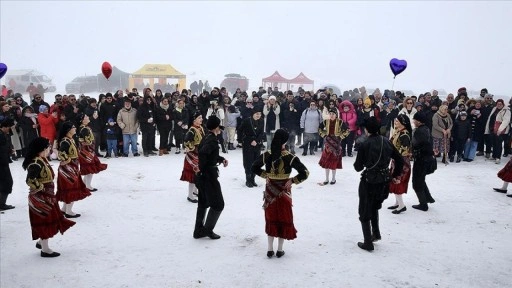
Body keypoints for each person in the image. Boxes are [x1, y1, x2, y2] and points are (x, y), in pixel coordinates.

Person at [252, 129, 309, 258]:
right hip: (284, 191)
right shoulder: (290, 156)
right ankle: (280, 249)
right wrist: (292, 180)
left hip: (270, 191)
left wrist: (266, 175)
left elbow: (253, 167)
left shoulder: (267, 154)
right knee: (283, 217)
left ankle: (270, 249)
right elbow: (305, 173)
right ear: (285, 141)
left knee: (271, 217)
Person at [353, 117, 404, 251]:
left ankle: (368, 242)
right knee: (374, 207)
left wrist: (363, 161)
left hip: (369, 181)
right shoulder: (387, 141)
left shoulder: (365, 144)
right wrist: (394, 175)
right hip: (384, 181)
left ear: (367, 129)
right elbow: (400, 160)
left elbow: (357, 167)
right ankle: (375, 233)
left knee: (364, 210)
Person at [22, 137, 76, 257]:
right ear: (42, 149)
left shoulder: (41, 159)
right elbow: (30, 180)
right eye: (48, 147)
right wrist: (41, 187)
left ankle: (42, 242)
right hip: (40, 197)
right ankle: (45, 250)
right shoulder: (36, 163)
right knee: (44, 221)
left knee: (49, 219)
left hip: (47, 196)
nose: (49, 149)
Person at [193, 115, 229, 239]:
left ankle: (198, 231)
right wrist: (202, 169)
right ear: (215, 127)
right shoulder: (212, 140)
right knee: (218, 204)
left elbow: (208, 155)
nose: (220, 128)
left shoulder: (206, 137)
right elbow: (203, 153)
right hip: (208, 177)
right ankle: (207, 230)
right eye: (219, 126)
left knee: (203, 203)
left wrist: (221, 159)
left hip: (202, 176)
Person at [56, 121, 91, 218]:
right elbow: (61, 153)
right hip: (68, 169)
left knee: (69, 188)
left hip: (72, 167)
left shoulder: (69, 139)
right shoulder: (65, 141)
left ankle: (64, 209)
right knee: (71, 188)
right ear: (68, 130)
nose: (75, 128)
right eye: (73, 127)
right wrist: (67, 160)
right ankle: (68, 211)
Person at [387, 114, 413, 214]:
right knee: (394, 180)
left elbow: (404, 150)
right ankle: (397, 202)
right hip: (396, 161)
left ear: (403, 123)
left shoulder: (404, 134)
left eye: (397, 121)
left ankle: (401, 205)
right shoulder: (399, 132)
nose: (395, 123)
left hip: (401, 163)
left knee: (397, 181)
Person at [411, 112, 436, 211]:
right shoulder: (426, 129)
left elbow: (419, 145)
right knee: (421, 180)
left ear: (419, 121)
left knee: (417, 183)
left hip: (421, 160)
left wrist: (413, 152)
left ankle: (423, 204)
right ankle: (428, 198)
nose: (413, 121)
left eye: (414, 120)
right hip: (426, 159)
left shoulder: (419, 131)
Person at [318, 108, 349, 185]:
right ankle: (326, 178)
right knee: (327, 161)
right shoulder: (326, 121)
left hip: (336, 143)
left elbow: (347, 130)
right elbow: (319, 129)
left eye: (333, 114)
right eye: (330, 114)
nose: (331, 115)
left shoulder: (340, 122)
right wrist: (324, 135)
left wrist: (341, 136)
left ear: (336, 115)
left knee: (334, 161)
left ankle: (333, 178)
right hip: (328, 143)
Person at [77, 113, 107, 191]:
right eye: (86, 117)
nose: (88, 117)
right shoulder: (84, 129)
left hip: (87, 151)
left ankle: (84, 184)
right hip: (86, 151)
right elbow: (86, 141)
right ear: (82, 120)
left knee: (89, 168)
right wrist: (90, 144)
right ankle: (88, 186)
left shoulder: (84, 128)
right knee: (89, 169)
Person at [181, 111, 205, 203]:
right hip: (192, 156)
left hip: (199, 154)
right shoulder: (192, 130)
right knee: (192, 175)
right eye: (199, 118)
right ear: (194, 120)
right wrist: (193, 148)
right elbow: (186, 142)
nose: (201, 119)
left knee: (198, 174)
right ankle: (190, 195)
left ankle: (195, 191)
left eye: (201, 118)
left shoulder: (200, 128)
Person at [238, 107, 265, 187]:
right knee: (248, 162)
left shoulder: (261, 120)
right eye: (257, 114)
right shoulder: (247, 121)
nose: (258, 115)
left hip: (257, 144)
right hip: (247, 143)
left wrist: (256, 140)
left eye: (260, 114)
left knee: (256, 162)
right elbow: (240, 130)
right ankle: (248, 180)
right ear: (253, 114)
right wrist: (242, 140)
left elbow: (261, 132)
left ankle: (253, 179)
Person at [0, 118, 15, 211]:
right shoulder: (1, 136)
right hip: (2, 163)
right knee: (7, 183)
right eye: (9, 127)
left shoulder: (4, 134)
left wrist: (10, 150)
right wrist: (9, 151)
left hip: (4, 162)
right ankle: (1, 204)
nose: (10, 129)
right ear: (5, 126)